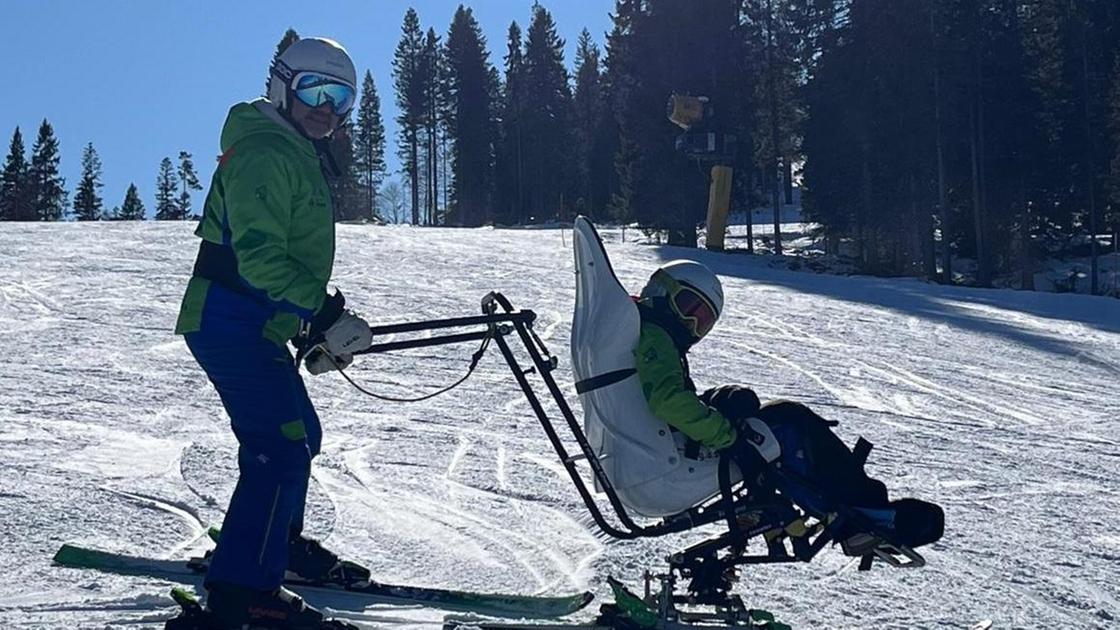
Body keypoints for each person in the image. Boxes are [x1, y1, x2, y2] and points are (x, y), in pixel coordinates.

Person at [173, 37, 374, 629]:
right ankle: (242, 593)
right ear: (282, 86)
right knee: (278, 445)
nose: (326, 107)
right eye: (314, 89)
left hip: (255, 321)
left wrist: (305, 323)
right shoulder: (265, 149)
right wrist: (326, 314)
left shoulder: (293, 150)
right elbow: (259, 260)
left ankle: (272, 547)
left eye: (340, 96)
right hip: (230, 318)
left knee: (298, 433)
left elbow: (278, 264)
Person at [633, 260, 943, 551]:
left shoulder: (642, 330)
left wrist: (720, 405)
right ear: (661, 291)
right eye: (689, 308)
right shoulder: (655, 335)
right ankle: (862, 513)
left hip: (658, 451)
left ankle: (851, 507)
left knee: (752, 409)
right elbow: (668, 400)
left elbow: (661, 396)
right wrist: (725, 435)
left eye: (702, 322)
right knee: (789, 422)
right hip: (668, 461)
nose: (690, 324)